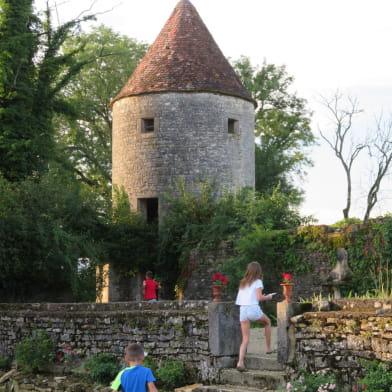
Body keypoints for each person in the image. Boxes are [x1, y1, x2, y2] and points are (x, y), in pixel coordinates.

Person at [235, 261, 274, 371]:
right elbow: (259, 298)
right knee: (268, 322)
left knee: (245, 338)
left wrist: (262, 296)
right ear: (258, 271)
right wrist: (268, 297)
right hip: (253, 309)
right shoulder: (258, 281)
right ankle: (268, 348)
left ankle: (240, 362)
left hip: (242, 310)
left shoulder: (243, 282)